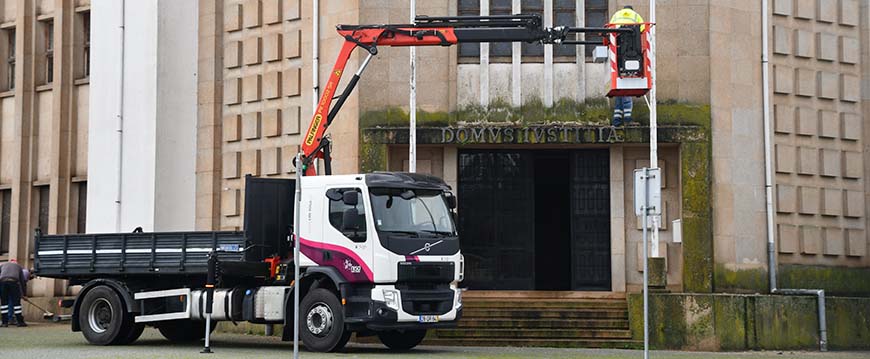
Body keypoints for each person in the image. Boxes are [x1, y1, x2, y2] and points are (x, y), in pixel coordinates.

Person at [609, 5, 644, 126]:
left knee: (620, 91)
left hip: (618, 50)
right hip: (631, 51)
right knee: (627, 87)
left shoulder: (616, 15)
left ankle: (617, 119)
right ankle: (628, 119)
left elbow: (611, 29)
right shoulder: (636, 16)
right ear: (632, 10)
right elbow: (643, 29)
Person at [0, 259, 28, 327]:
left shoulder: (2, 265)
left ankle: (4, 322)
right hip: (13, 282)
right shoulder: (19, 267)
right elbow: (22, 282)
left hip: (2, 282)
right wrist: (24, 294)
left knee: (4, 303)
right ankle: (20, 322)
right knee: (16, 303)